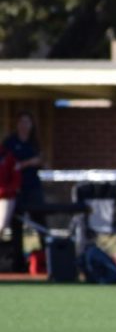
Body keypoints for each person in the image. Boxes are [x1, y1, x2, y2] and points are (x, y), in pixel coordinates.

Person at [4, 111, 45, 271]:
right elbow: (10, 164)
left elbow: (41, 160)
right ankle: (18, 264)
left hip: (33, 187)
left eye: (27, 122)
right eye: (22, 122)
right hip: (16, 189)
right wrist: (27, 163)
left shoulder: (35, 142)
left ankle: (45, 258)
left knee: (40, 221)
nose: (24, 125)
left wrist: (29, 163)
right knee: (17, 225)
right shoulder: (10, 142)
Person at [0, 144, 21, 234]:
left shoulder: (6, 155)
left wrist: (8, 190)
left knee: (1, 226)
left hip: (5, 197)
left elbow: (16, 176)